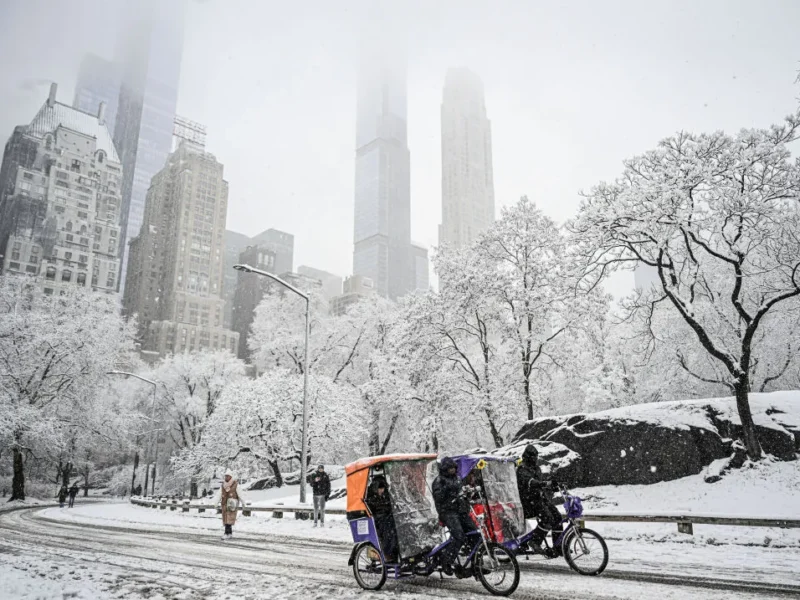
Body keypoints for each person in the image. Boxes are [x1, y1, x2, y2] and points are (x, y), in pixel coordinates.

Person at [432, 456, 476, 578]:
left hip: (461, 510)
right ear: (445, 469)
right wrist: (447, 490)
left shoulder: (457, 479)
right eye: (450, 468)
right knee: (459, 536)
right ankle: (447, 561)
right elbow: (438, 497)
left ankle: (476, 562)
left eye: (453, 468)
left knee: (476, 533)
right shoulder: (439, 481)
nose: (452, 470)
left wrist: (467, 494)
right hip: (447, 512)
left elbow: (460, 492)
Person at [516, 444, 563, 556]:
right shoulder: (522, 469)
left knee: (557, 517)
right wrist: (542, 484)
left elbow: (540, 483)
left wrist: (552, 485)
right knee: (548, 517)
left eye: (536, 456)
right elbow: (530, 482)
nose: (535, 459)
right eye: (532, 456)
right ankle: (535, 541)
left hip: (540, 499)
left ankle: (558, 546)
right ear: (527, 456)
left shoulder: (537, 468)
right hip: (528, 502)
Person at [366, 476, 398, 561]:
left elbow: (389, 505)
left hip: (385, 517)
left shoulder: (386, 494)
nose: (382, 491)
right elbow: (373, 508)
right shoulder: (370, 495)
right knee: (388, 529)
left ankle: (395, 552)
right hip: (376, 519)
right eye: (380, 489)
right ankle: (387, 553)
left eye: (383, 488)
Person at [214, 469, 245, 540]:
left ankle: (226, 533)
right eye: (225, 476)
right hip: (224, 505)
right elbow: (219, 494)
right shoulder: (223, 485)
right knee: (226, 519)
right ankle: (229, 533)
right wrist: (215, 503)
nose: (226, 477)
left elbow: (241, 494)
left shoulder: (235, 485)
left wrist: (243, 502)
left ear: (231, 477)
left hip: (232, 505)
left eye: (228, 476)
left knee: (229, 519)